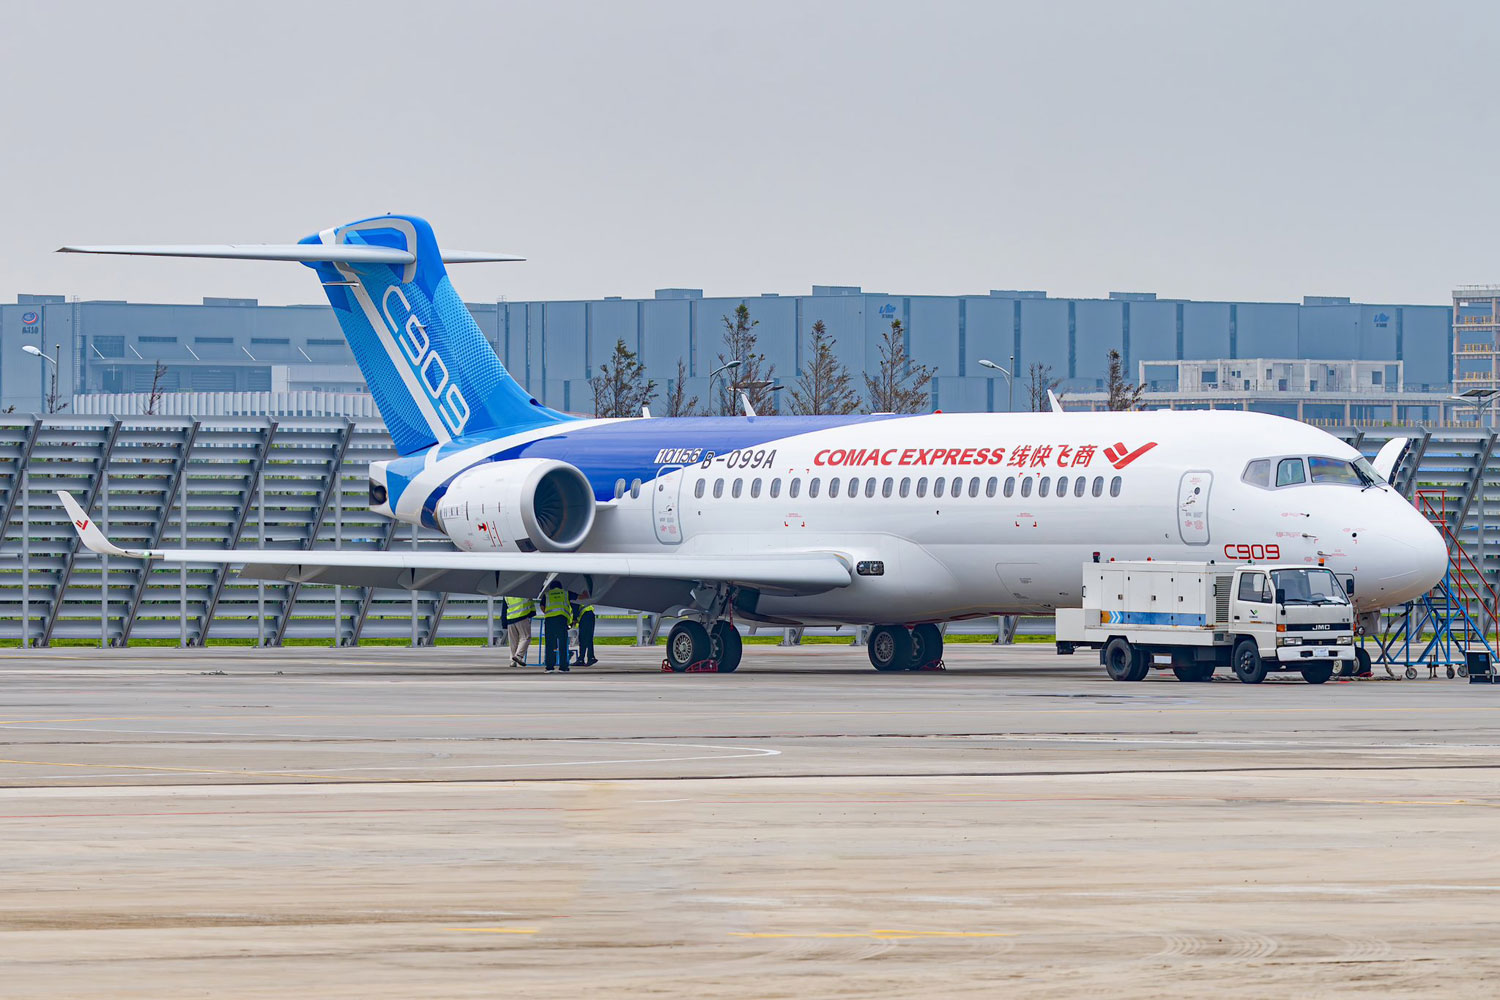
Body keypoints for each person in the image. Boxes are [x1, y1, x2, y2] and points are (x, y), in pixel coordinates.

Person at [540, 582, 574, 672]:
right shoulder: (565, 593)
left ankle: (549, 667)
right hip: (561, 620)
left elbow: (542, 606)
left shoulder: (547, 594)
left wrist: (547, 613)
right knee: (563, 644)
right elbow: (581, 597)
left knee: (550, 644)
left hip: (549, 621)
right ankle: (563, 667)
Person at [504, 595, 535, 668]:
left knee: (513, 641)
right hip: (522, 616)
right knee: (526, 637)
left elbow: (504, 607)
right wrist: (532, 613)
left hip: (510, 617)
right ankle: (518, 656)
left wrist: (504, 622)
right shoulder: (524, 590)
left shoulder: (506, 592)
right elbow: (530, 602)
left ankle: (513, 661)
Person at [572, 598, 597, 666]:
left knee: (584, 638)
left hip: (586, 616)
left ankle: (584, 658)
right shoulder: (578, 596)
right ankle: (587, 657)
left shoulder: (572, 598)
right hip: (589, 615)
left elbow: (575, 609)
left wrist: (573, 620)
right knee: (588, 638)